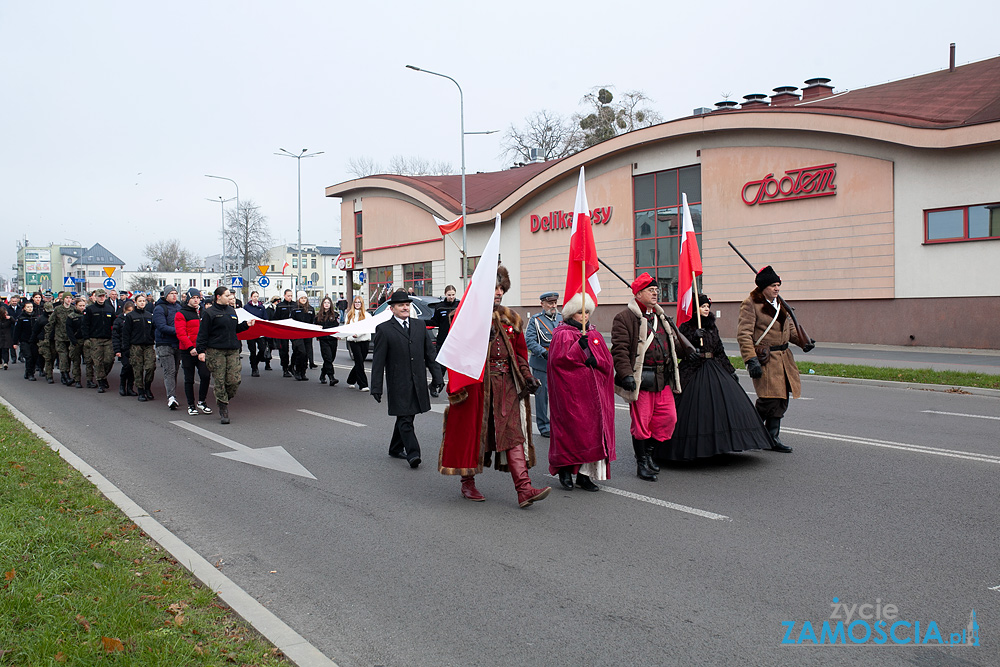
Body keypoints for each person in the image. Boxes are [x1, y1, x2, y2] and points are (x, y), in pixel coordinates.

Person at [439, 266, 550, 508]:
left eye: (501, 288)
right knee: (473, 434)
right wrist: (480, 337)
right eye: (494, 288)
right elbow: (456, 352)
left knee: (513, 435)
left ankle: (524, 489)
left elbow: (520, 354)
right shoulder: (465, 316)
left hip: (507, 385)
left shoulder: (512, 318)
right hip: (478, 387)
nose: (498, 292)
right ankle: (467, 483)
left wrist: (527, 375)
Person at [656, 294, 773, 462]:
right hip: (692, 370)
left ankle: (721, 444)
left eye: (708, 307)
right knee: (691, 409)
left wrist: (730, 370)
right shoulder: (686, 327)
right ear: (695, 309)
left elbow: (719, 350)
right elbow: (679, 349)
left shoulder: (712, 327)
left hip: (714, 367)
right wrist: (694, 337)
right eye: (703, 306)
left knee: (722, 407)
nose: (706, 309)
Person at [610, 273, 683, 482]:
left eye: (656, 290)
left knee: (668, 419)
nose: (655, 293)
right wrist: (626, 375)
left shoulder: (660, 316)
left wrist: (686, 351)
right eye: (651, 290)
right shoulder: (624, 318)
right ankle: (642, 463)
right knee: (641, 424)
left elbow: (669, 344)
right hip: (642, 379)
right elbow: (620, 350)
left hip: (663, 379)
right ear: (639, 293)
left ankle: (649, 454)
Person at [737, 266, 814, 453]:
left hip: (784, 359)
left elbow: (789, 330)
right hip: (766, 358)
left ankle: (771, 437)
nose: (777, 288)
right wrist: (751, 359)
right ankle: (749, 432)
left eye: (778, 285)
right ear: (763, 287)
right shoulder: (751, 304)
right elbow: (744, 334)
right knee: (768, 401)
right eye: (773, 285)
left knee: (781, 400)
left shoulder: (780, 303)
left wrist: (804, 342)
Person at [547, 292, 616, 492]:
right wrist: (579, 348)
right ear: (571, 314)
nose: (584, 316)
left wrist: (597, 361)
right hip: (572, 395)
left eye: (587, 312)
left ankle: (585, 475)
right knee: (571, 432)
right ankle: (565, 471)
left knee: (592, 432)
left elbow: (607, 361)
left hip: (595, 397)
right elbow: (559, 362)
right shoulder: (563, 334)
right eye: (580, 312)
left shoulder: (593, 334)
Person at [370, 289, 437, 468]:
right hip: (398, 383)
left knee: (407, 416)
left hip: (418, 381)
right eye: (401, 305)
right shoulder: (384, 330)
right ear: (392, 309)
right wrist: (375, 387)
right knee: (405, 418)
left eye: (407, 304)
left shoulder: (419, 326)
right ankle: (413, 453)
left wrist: (437, 378)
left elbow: (430, 354)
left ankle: (395, 447)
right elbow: (378, 361)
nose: (405, 308)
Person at [196, 287, 251, 424]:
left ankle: (225, 398)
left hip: (232, 349)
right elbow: (203, 333)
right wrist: (201, 351)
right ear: (218, 297)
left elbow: (235, 329)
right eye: (227, 295)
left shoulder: (231, 311)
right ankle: (223, 407)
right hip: (216, 351)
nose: (230, 298)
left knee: (234, 380)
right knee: (219, 381)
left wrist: (246, 325)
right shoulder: (209, 313)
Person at [524, 291, 562, 437]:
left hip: (559, 363)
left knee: (559, 397)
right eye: (550, 303)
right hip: (542, 363)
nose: (553, 306)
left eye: (555, 303)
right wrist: (543, 352)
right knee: (542, 397)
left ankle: (558, 424)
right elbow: (530, 341)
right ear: (542, 304)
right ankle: (544, 426)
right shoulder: (536, 320)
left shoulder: (562, 318)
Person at [175, 288, 213, 415]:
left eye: (198, 297)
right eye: (193, 298)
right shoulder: (181, 313)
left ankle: (202, 401)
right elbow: (181, 333)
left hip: (202, 350)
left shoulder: (204, 312)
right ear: (188, 299)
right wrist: (190, 348)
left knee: (205, 375)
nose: (196, 300)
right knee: (189, 379)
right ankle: (191, 405)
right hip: (188, 351)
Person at [122, 294, 157, 402]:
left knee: (151, 367)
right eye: (140, 301)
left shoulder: (149, 315)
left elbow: (153, 330)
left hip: (148, 345)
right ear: (135, 302)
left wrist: (153, 339)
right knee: (138, 369)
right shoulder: (130, 316)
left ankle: (147, 387)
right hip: (135, 345)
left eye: (143, 301)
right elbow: (126, 333)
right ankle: (140, 390)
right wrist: (126, 348)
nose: (142, 303)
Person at [152, 285, 182, 409]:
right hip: (164, 343)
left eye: (176, 293)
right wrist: (179, 331)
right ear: (165, 295)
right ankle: (171, 397)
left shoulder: (179, 307)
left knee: (175, 370)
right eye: (171, 293)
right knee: (169, 370)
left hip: (178, 343)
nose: (174, 296)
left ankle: (172, 393)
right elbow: (161, 326)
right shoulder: (159, 309)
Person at [427, 285, 459, 397]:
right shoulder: (440, 307)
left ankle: (456, 389)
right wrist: (421, 323)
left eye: (453, 295)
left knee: (456, 367)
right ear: (445, 294)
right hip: (443, 341)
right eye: (449, 295)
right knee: (441, 367)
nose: (451, 297)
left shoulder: (459, 305)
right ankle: (435, 385)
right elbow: (434, 322)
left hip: (456, 341)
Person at [82, 289, 116, 393]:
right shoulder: (90, 309)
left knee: (109, 360)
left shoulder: (109, 309)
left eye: (103, 296)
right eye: (99, 296)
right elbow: (85, 325)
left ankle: (103, 376)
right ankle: (101, 382)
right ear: (95, 297)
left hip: (108, 339)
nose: (101, 298)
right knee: (98, 362)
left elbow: (114, 324)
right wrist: (86, 339)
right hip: (95, 339)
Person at [343, 295, 370, 391]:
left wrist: (358, 334)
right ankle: (363, 384)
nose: (357, 304)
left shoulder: (367, 315)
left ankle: (351, 380)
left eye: (359, 302)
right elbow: (346, 327)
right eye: (356, 302)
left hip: (364, 341)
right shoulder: (350, 315)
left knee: (360, 362)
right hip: (353, 341)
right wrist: (342, 335)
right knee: (359, 362)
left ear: (362, 304)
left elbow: (367, 328)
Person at [111, 299, 137, 396]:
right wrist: (117, 350)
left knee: (133, 368)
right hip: (123, 347)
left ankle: (130, 387)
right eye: (128, 311)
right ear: (124, 311)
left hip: (133, 347)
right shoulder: (119, 320)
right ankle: (122, 385)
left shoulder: (134, 319)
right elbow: (115, 336)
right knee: (126, 366)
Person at [288, 291, 315, 381]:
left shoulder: (310, 309)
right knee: (301, 352)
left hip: (307, 334)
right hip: (297, 334)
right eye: (301, 298)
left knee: (306, 353)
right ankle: (297, 371)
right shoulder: (294, 309)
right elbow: (291, 321)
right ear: (298, 299)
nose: (303, 300)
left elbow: (313, 322)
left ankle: (303, 372)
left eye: (305, 298)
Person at [315, 295, 340, 386]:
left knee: (331, 358)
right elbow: (315, 326)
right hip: (324, 339)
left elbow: (337, 327)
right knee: (328, 357)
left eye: (328, 303)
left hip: (333, 339)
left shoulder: (335, 315)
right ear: (322, 304)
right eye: (325, 303)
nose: (326, 304)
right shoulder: (318, 315)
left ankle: (322, 374)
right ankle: (331, 377)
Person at [243, 291, 268, 377]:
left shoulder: (261, 307)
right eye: (254, 296)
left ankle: (256, 361)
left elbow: (265, 318)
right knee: (252, 350)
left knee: (262, 348)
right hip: (250, 331)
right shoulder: (246, 307)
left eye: (257, 296)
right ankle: (254, 369)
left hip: (259, 331)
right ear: (251, 297)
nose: (256, 298)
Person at [272, 289, 296, 377]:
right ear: (284, 296)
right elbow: (275, 318)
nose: (290, 297)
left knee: (297, 348)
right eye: (288, 296)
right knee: (284, 350)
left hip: (293, 330)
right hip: (283, 331)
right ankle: (285, 368)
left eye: (291, 296)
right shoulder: (280, 306)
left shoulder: (295, 305)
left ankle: (292, 365)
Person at [64, 297, 87, 388]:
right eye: (80, 306)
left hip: (85, 341)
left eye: (83, 306)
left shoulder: (87, 315)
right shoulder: (71, 316)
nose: (82, 307)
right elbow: (69, 330)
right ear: (76, 306)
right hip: (75, 341)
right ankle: (77, 380)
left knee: (89, 362)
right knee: (76, 362)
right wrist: (73, 341)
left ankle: (89, 380)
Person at [34, 301, 55, 383]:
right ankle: (49, 375)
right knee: (48, 358)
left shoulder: (54, 318)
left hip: (53, 340)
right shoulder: (40, 319)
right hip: (43, 341)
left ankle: (48, 371)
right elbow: (35, 331)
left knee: (52, 358)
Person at [0, 304, 12, 370]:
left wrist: (10, 318)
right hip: (0, 337)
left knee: (6, 350)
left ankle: (5, 362)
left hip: (7, 336)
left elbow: (14, 323)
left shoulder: (8, 319)